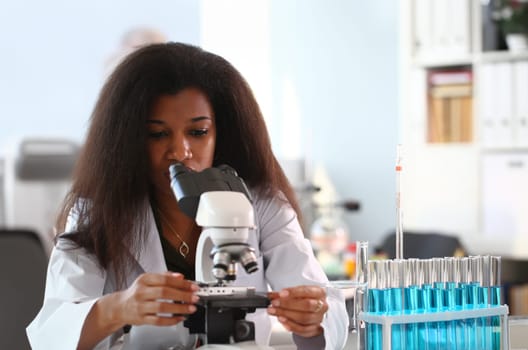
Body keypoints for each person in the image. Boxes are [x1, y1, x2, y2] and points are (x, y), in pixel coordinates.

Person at [26, 42, 349, 350]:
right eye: (157, 134)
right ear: (129, 140)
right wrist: (119, 307)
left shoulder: (261, 205)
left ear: (222, 132)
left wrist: (312, 314)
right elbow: (53, 332)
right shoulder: (97, 212)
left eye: (198, 132)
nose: (180, 152)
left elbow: (325, 301)